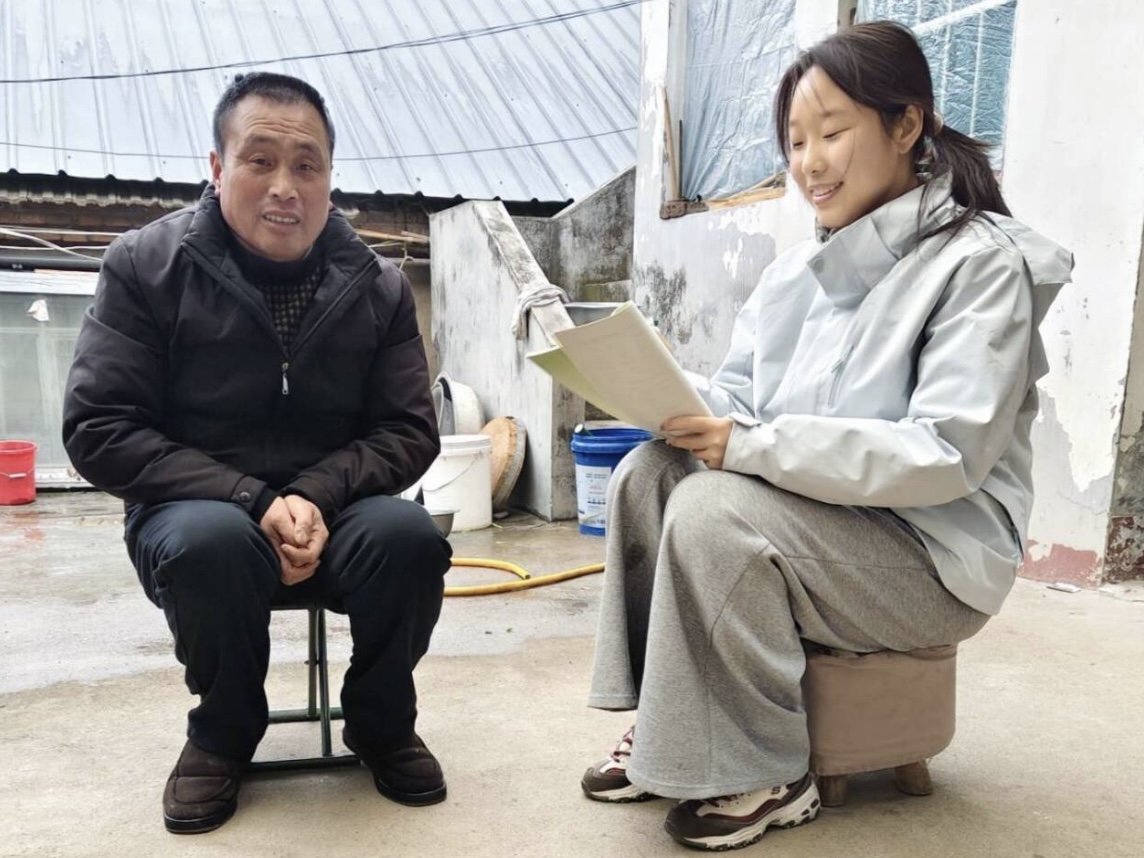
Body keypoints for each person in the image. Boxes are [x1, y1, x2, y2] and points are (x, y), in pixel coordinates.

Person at [579, 21, 1073, 852]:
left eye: (832, 132)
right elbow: (741, 402)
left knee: (711, 513)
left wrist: (750, 446)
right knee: (649, 473)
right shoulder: (794, 275)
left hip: (931, 559)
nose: (809, 162)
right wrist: (656, 388)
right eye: (796, 141)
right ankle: (672, 729)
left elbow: (945, 453)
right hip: (823, 523)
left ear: (906, 125)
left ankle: (771, 772)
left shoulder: (978, 265)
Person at [62, 72, 452, 834]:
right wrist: (252, 499)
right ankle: (223, 732)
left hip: (336, 510)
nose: (285, 187)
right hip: (198, 513)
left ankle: (382, 722)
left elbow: (408, 429)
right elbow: (100, 426)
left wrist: (314, 494)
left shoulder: (377, 285)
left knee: (409, 537)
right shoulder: (145, 266)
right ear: (217, 167)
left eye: (307, 166)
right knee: (210, 543)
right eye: (260, 160)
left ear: (330, 178)